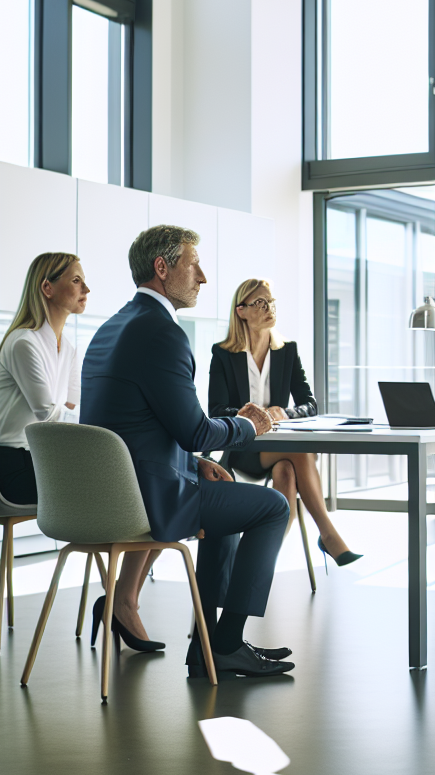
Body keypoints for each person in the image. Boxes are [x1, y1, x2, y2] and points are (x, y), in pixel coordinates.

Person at [80, 224, 296, 678]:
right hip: (147, 497)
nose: (201, 277)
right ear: (163, 268)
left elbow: (135, 426)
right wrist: (249, 425)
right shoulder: (160, 332)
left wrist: (196, 464)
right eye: (193, 264)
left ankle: (209, 646)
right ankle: (227, 642)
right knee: (273, 506)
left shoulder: (112, 326)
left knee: (228, 491)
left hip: (110, 492)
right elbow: (196, 430)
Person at [208, 278, 362, 566]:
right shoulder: (224, 355)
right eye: (260, 303)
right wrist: (249, 415)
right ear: (241, 311)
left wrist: (285, 413)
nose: (269, 308)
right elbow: (216, 410)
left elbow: (310, 404)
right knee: (299, 451)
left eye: (271, 302)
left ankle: (259, 561)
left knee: (287, 472)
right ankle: (327, 535)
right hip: (244, 449)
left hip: (279, 446)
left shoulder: (286, 351)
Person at [0, 252, 88, 505]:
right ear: (47, 287)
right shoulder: (24, 342)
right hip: (12, 464)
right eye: (76, 280)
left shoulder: (69, 347)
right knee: (103, 488)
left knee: (117, 483)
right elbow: (46, 413)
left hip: (44, 456)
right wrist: (95, 424)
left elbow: (72, 407)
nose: (86, 288)